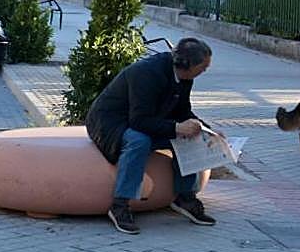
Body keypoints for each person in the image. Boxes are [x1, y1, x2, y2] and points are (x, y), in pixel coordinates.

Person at [85, 37, 217, 235]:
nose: (204, 71)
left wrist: (207, 130)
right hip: (110, 123)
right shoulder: (146, 73)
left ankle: (185, 197)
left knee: (191, 136)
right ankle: (120, 205)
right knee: (140, 141)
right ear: (187, 64)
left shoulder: (185, 78)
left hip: (145, 119)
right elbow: (139, 121)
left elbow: (183, 112)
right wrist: (176, 129)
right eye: (203, 67)